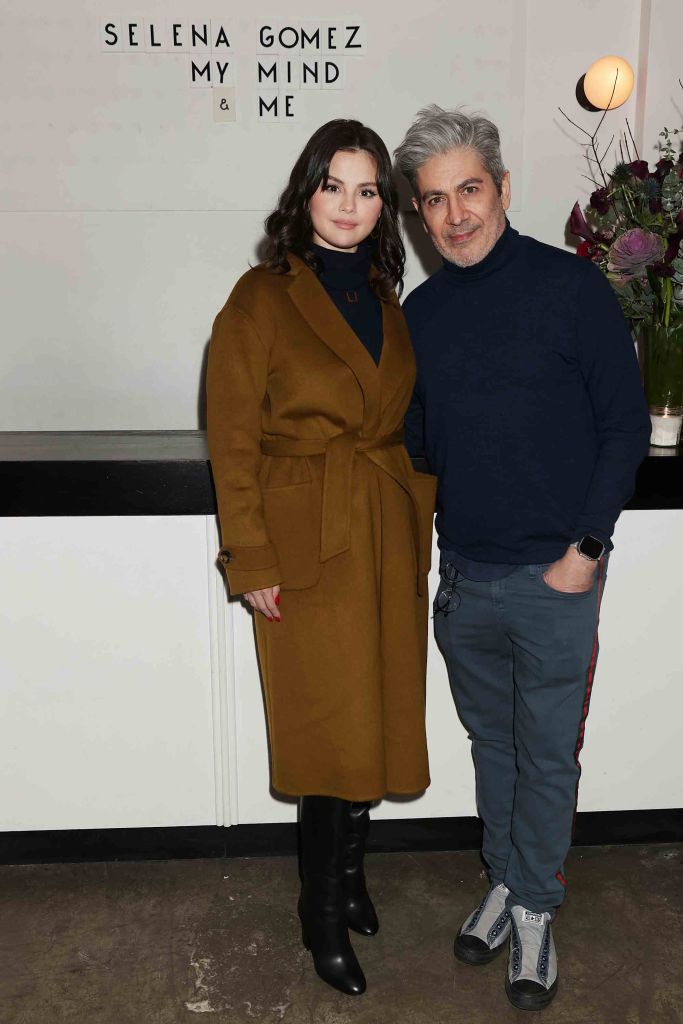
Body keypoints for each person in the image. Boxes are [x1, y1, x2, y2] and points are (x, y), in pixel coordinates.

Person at [395, 106, 651, 1012]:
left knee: (546, 754)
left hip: (554, 576)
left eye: (469, 189)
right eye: (433, 200)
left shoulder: (571, 288)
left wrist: (586, 548)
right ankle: (504, 879)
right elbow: (420, 440)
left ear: (502, 189)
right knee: (491, 746)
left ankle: (536, 905)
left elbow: (624, 424)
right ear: (417, 216)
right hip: (462, 576)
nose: (454, 214)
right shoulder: (418, 315)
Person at [206, 119, 437, 997]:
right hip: (305, 544)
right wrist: (250, 559)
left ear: (385, 205)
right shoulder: (260, 295)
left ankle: (350, 878)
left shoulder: (386, 299)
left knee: (375, 713)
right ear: (305, 195)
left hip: (382, 527)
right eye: (333, 186)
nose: (349, 205)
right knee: (327, 728)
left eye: (367, 189)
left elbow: (405, 420)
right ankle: (319, 911)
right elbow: (230, 442)